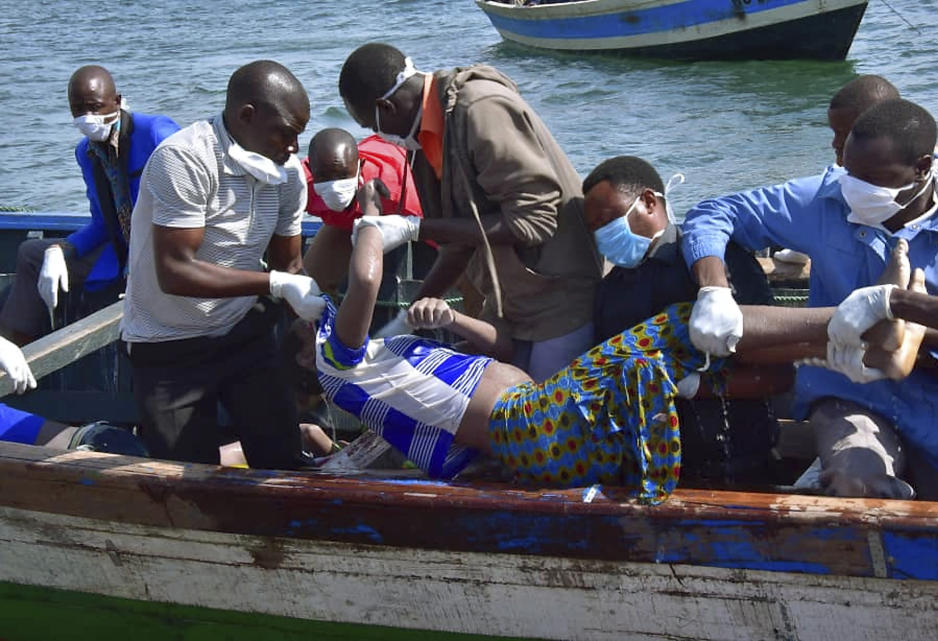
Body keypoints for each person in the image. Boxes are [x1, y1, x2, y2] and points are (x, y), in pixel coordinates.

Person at [288, 177, 923, 504]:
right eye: (325, 306)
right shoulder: (337, 362)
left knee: (679, 349)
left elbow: (500, 351)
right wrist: (376, 218)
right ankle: (865, 317)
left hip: (545, 423)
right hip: (533, 426)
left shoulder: (380, 362)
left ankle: (859, 348)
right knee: (676, 328)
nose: (334, 301)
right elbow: (368, 275)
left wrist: (449, 322)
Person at [681, 98, 938, 500]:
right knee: (856, 485)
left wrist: (909, 331)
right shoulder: (827, 197)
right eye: (849, 173)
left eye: (871, 179)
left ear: (922, 167)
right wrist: (713, 289)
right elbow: (714, 212)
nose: (853, 190)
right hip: (854, 396)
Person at [337, 43, 602, 381]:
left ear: (386, 106)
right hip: (512, 304)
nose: (377, 135)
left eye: (370, 125)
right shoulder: (422, 142)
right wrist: (402, 325)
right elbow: (458, 245)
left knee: (544, 418)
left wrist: (415, 228)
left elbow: (534, 221)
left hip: (560, 298)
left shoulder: (481, 109)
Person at [120, 60, 325, 469]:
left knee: (282, 462)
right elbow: (176, 270)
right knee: (186, 480)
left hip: (242, 331)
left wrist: (308, 332)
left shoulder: (288, 177)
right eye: (285, 133)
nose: (293, 148)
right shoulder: (184, 159)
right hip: (166, 343)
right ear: (246, 116)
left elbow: (289, 264)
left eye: (299, 136)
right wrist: (276, 285)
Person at [583, 156, 783, 485]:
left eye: (608, 220)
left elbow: (778, 378)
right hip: (643, 469)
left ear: (648, 201)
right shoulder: (609, 291)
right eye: (595, 230)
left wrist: (687, 388)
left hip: (737, 464)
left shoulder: (715, 265)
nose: (604, 235)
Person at [0, 66, 179, 346]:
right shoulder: (86, 153)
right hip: (121, 252)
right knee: (32, 253)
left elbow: (190, 200)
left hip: (167, 249)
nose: (88, 117)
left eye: (95, 107)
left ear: (117, 101)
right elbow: (101, 224)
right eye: (78, 109)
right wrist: (61, 250)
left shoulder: (155, 133)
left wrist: (142, 260)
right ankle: (12, 353)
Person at [774, 74, 900, 265]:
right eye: (835, 133)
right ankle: (804, 239)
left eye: (843, 134)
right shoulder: (829, 187)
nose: (834, 142)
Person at [301, 128, 424, 294]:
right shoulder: (299, 185)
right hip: (346, 217)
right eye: (323, 177)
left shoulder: (398, 193)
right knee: (307, 287)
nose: (334, 186)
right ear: (311, 169)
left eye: (343, 176)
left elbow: (445, 237)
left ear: (361, 165)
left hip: (402, 183)